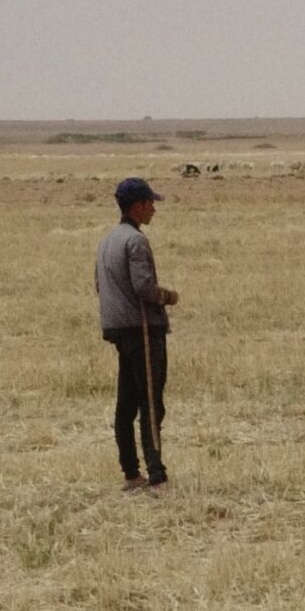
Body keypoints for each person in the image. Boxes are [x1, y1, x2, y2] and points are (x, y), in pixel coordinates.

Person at [95, 176, 178, 492]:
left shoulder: (107, 240)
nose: (154, 209)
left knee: (126, 403)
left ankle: (131, 473)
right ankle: (157, 476)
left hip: (117, 329)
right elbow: (144, 288)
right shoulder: (135, 241)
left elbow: (99, 285)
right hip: (142, 329)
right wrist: (167, 296)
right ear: (138, 206)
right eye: (150, 203)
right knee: (151, 402)